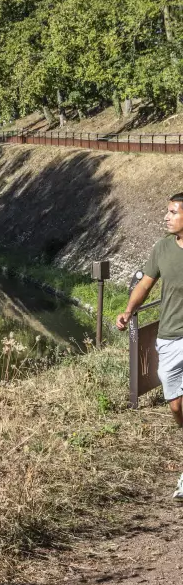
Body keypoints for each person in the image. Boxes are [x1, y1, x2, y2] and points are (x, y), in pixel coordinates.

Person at [117, 192, 183, 500]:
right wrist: (129, 310)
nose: (166, 217)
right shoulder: (162, 249)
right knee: (176, 405)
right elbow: (145, 283)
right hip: (170, 336)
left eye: (173, 212)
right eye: (167, 212)